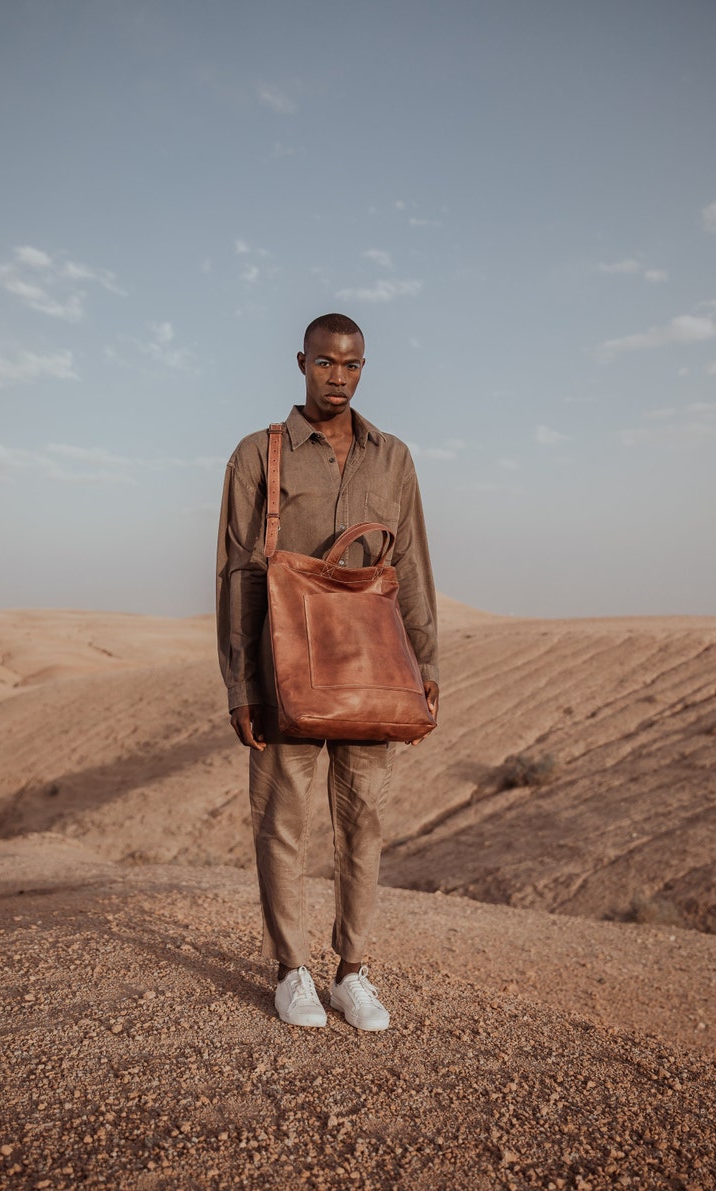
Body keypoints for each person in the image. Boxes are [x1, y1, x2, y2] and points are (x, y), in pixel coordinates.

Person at [216, 312, 439, 1031]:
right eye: (324, 363)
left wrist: (424, 664)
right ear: (302, 362)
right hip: (287, 673)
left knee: (363, 822)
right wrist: (241, 684)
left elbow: (411, 569)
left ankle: (352, 972)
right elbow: (238, 575)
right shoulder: (259, 453)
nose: (337, 378)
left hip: (372, 672)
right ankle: (290, 971)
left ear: (362, 368)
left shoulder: (393, 456)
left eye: (351, 366)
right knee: (281, 821)